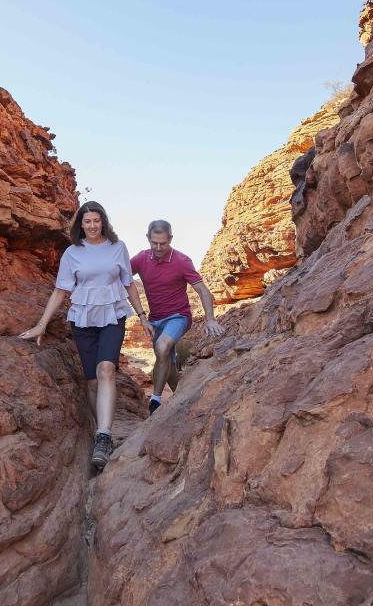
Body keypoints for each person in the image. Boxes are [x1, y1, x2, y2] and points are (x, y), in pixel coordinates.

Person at [20, 201, 152, 469]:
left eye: (96, 220)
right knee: (92, 381)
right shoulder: (72, 253)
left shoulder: (118, 248)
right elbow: (60, 291)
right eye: (87, 221)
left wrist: (142, 316)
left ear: (103, 222)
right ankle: (100, 431)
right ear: (80, 224)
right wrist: (41, 324)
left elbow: (128, 285)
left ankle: (103, 436)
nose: (92, 225)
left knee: (106, 370)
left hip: (112, 315)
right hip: (82, 319)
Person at [130, 219, 224, 414]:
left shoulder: (182, 261)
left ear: (170, 239)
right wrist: (141, 316)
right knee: (167, 361)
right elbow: (121, 276)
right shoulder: (141, 259)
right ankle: (182, 401)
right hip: (155, 319)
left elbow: (203, 291)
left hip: (178, 316)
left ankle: (155, 400)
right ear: (148, 238)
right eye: (154, 242)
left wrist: (210, 319)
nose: (158, 247)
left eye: (163, 243)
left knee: (162, 347)